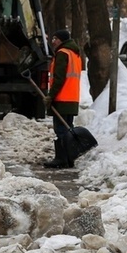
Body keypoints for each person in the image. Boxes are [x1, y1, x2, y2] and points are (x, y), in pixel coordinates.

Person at [44, 28, 83, 168]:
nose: (53, 41)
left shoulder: (62, 53)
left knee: (60, 130)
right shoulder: (75, 53)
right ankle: (69, 158)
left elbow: (59, 79)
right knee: (68, 129)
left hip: (62, 98)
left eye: (55, 39)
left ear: (62, 40)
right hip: (72, 98)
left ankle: (61, 159)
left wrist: (50, 96)